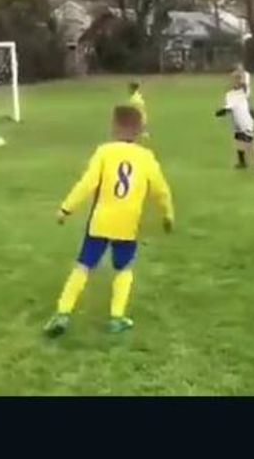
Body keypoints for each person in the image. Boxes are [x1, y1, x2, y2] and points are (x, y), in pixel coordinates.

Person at [44, 105, 175, 336]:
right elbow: (161, 190)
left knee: (83, 265)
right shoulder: (146, 157)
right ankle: (117, 317)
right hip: (128, 224)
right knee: (124, 268)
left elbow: (87, 183)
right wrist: (167, 215)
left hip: (100, 221)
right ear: (140, 130)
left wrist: (66, 209)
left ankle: (63, 312)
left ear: (114, 127)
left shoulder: (104, 152)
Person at [215, 73, 254, 169]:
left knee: (247, 140)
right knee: (239, 139)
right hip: (236, 120)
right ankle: (242, 162)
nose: (233, 82)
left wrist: (222, 111)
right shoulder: (230, 94)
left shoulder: (242, 92)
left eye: (236, 80)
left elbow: (229, 107)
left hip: (244, 120)